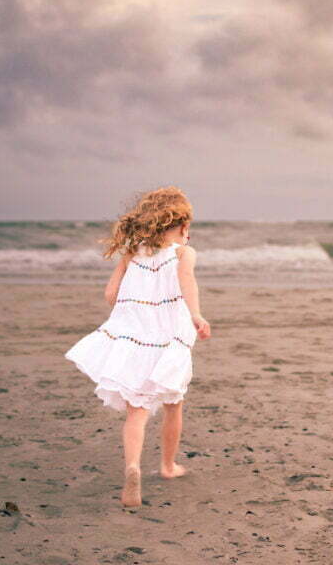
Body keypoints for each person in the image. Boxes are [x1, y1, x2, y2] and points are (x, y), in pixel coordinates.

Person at [65, 186, 211, 507]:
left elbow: (110, 295)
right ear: (183, 226)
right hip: (169, 338)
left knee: (137, 412)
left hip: (134, 338)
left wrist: (133, 289)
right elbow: (188, 283)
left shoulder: (134, 252)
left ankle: (133, 468)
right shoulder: (185, 253)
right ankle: (168, 466)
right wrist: (197, 315)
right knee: (174, 404)